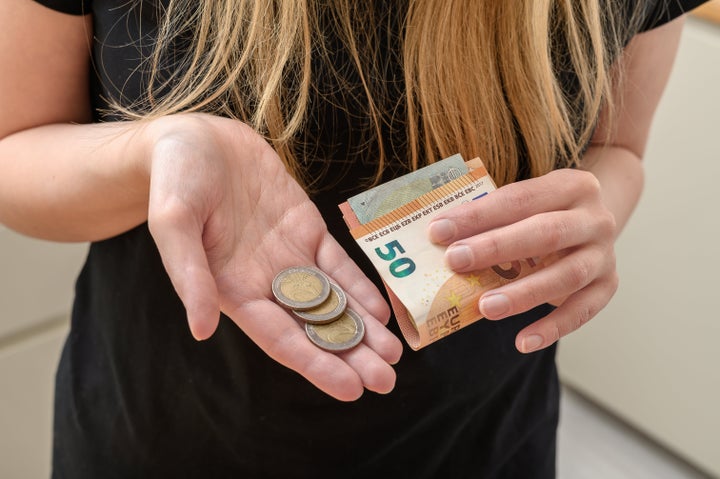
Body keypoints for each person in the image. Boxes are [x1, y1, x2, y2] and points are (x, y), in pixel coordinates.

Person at [0, 0, 708, 477]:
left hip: (484, 442)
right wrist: (154, 153)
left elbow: (618, 150)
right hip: (158, 439)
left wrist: (597, 212)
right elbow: (14, 150)